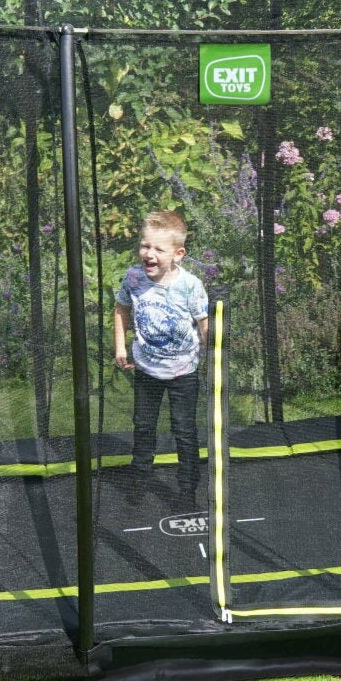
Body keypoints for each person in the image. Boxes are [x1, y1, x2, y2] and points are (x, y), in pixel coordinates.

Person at [114, 210, 209, 501]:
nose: (149, 254)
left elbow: (204, 324)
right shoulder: (133, 278)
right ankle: (139, 482)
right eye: (145, 246)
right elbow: (121, 309)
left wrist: (214, 359)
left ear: (178, 253)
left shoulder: (189, 285)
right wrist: (120, 347)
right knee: (143, 427)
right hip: (146, 369)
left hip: (184, 372)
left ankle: (187, 489)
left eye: (158, 248)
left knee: (184, 431)